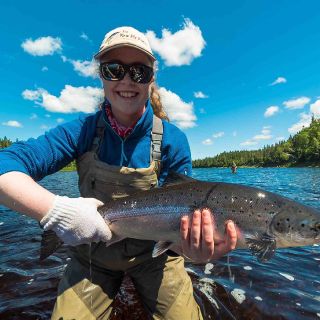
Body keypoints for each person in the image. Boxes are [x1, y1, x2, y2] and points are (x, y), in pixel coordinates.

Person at [0, 26, 237, 320]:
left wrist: (196, 252)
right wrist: (56, 212)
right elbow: (6, 165)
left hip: (156, 257)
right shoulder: (82, 131)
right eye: (114, 69)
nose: (126, 80)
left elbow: (178, 233)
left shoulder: (173, 140)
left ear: (151, 79)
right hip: (93, 253)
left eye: (139, 71)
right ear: (101, 76)